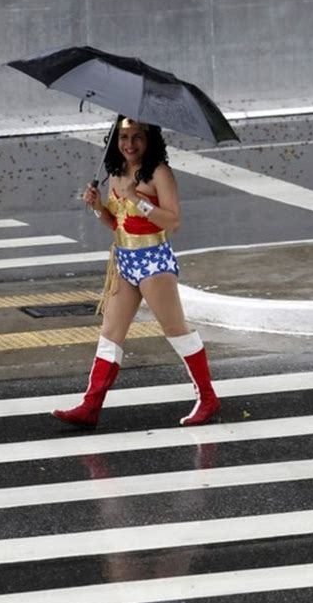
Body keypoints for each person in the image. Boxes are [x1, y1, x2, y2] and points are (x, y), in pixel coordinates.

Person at [52, 116, 221, 429]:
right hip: (124, 261)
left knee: (176, 330)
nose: (129, 145)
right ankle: (90, 406)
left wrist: (135, 199)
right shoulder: (115, 174)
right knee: (110, 336)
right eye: (124, 137)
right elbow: (116, 225)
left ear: (149, 139)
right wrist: (97, 207)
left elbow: (173, 221)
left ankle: (208, 398)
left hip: (154, 261)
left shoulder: (159, 173)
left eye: (137, 137)